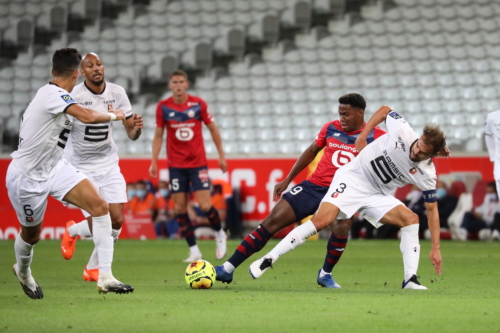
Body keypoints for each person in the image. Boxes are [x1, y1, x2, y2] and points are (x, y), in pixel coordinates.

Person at [249, 106, 449, 290]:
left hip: (376, 193)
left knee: (411, 220)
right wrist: (362, 136)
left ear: (435, 154)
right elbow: (385, 110)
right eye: (418, 145)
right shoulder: (403, 131)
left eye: (422, 152)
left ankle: (410, 279)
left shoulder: (427, 175)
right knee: (322, 220)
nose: (415, 151)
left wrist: (436, 248)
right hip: (353, 177)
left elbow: (432, 211)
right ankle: (269, 258)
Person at [215, 93, 386, 287]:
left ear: (360, 113)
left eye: (346, 114)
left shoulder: (377, 136)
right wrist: (288, 179)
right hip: (314, 187)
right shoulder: (331, 128)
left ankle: (325, 274)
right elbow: (312, 151)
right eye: (340, 114)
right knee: (271, 222)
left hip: (343, 193)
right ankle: (227, 268)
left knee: (341, 229)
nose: (342, 118)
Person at [6, 48, 133, 299]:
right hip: (27, 177)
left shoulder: (59, 94)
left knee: (100, 206)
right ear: (77, 75)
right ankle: (23, 271)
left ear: (53, 71)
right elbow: (86, 116)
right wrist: (114, 115)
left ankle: (104, 276)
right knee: (31, 236)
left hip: (55, 167)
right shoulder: (51, 94)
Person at [60, 52, 143, 283]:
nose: (96, 68)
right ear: (82, 72)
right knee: (100, 218)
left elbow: (131, 132)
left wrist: (136, 128)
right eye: (90, 65)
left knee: (116, 221)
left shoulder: (117, 92)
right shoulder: (74, 96)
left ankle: (90, 263)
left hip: (108, 164)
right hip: (81, 167)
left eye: (99, 64)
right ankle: (75, 236)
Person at [149, 69, 227, 262]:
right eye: (174, 82)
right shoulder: (163, 107)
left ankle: (220, 233)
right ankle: (194, 251)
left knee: (204, 204)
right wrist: (154, 161)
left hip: (197, 164)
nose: (177, 85)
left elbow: (213, 129)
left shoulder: (198, 104)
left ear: (186, 84)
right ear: (170, 85)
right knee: (180, 209)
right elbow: (158, 135)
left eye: (181, 82)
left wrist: (221, 156)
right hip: (175, 165)